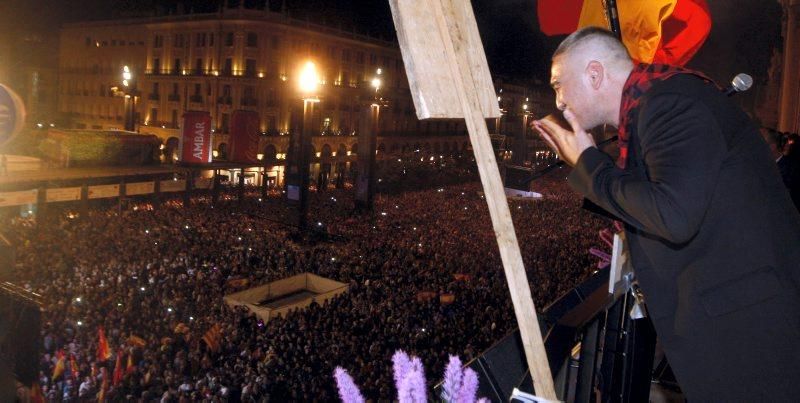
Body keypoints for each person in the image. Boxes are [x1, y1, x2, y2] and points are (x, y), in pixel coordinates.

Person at [533, 27, 800, 401]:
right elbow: (659, 198)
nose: (558, 100)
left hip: (749, 330)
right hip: (740, 319)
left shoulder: (670, 103)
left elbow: (672, 214)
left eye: (559, 84)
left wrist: (587, 163)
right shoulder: (659, 104)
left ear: (594, 74)